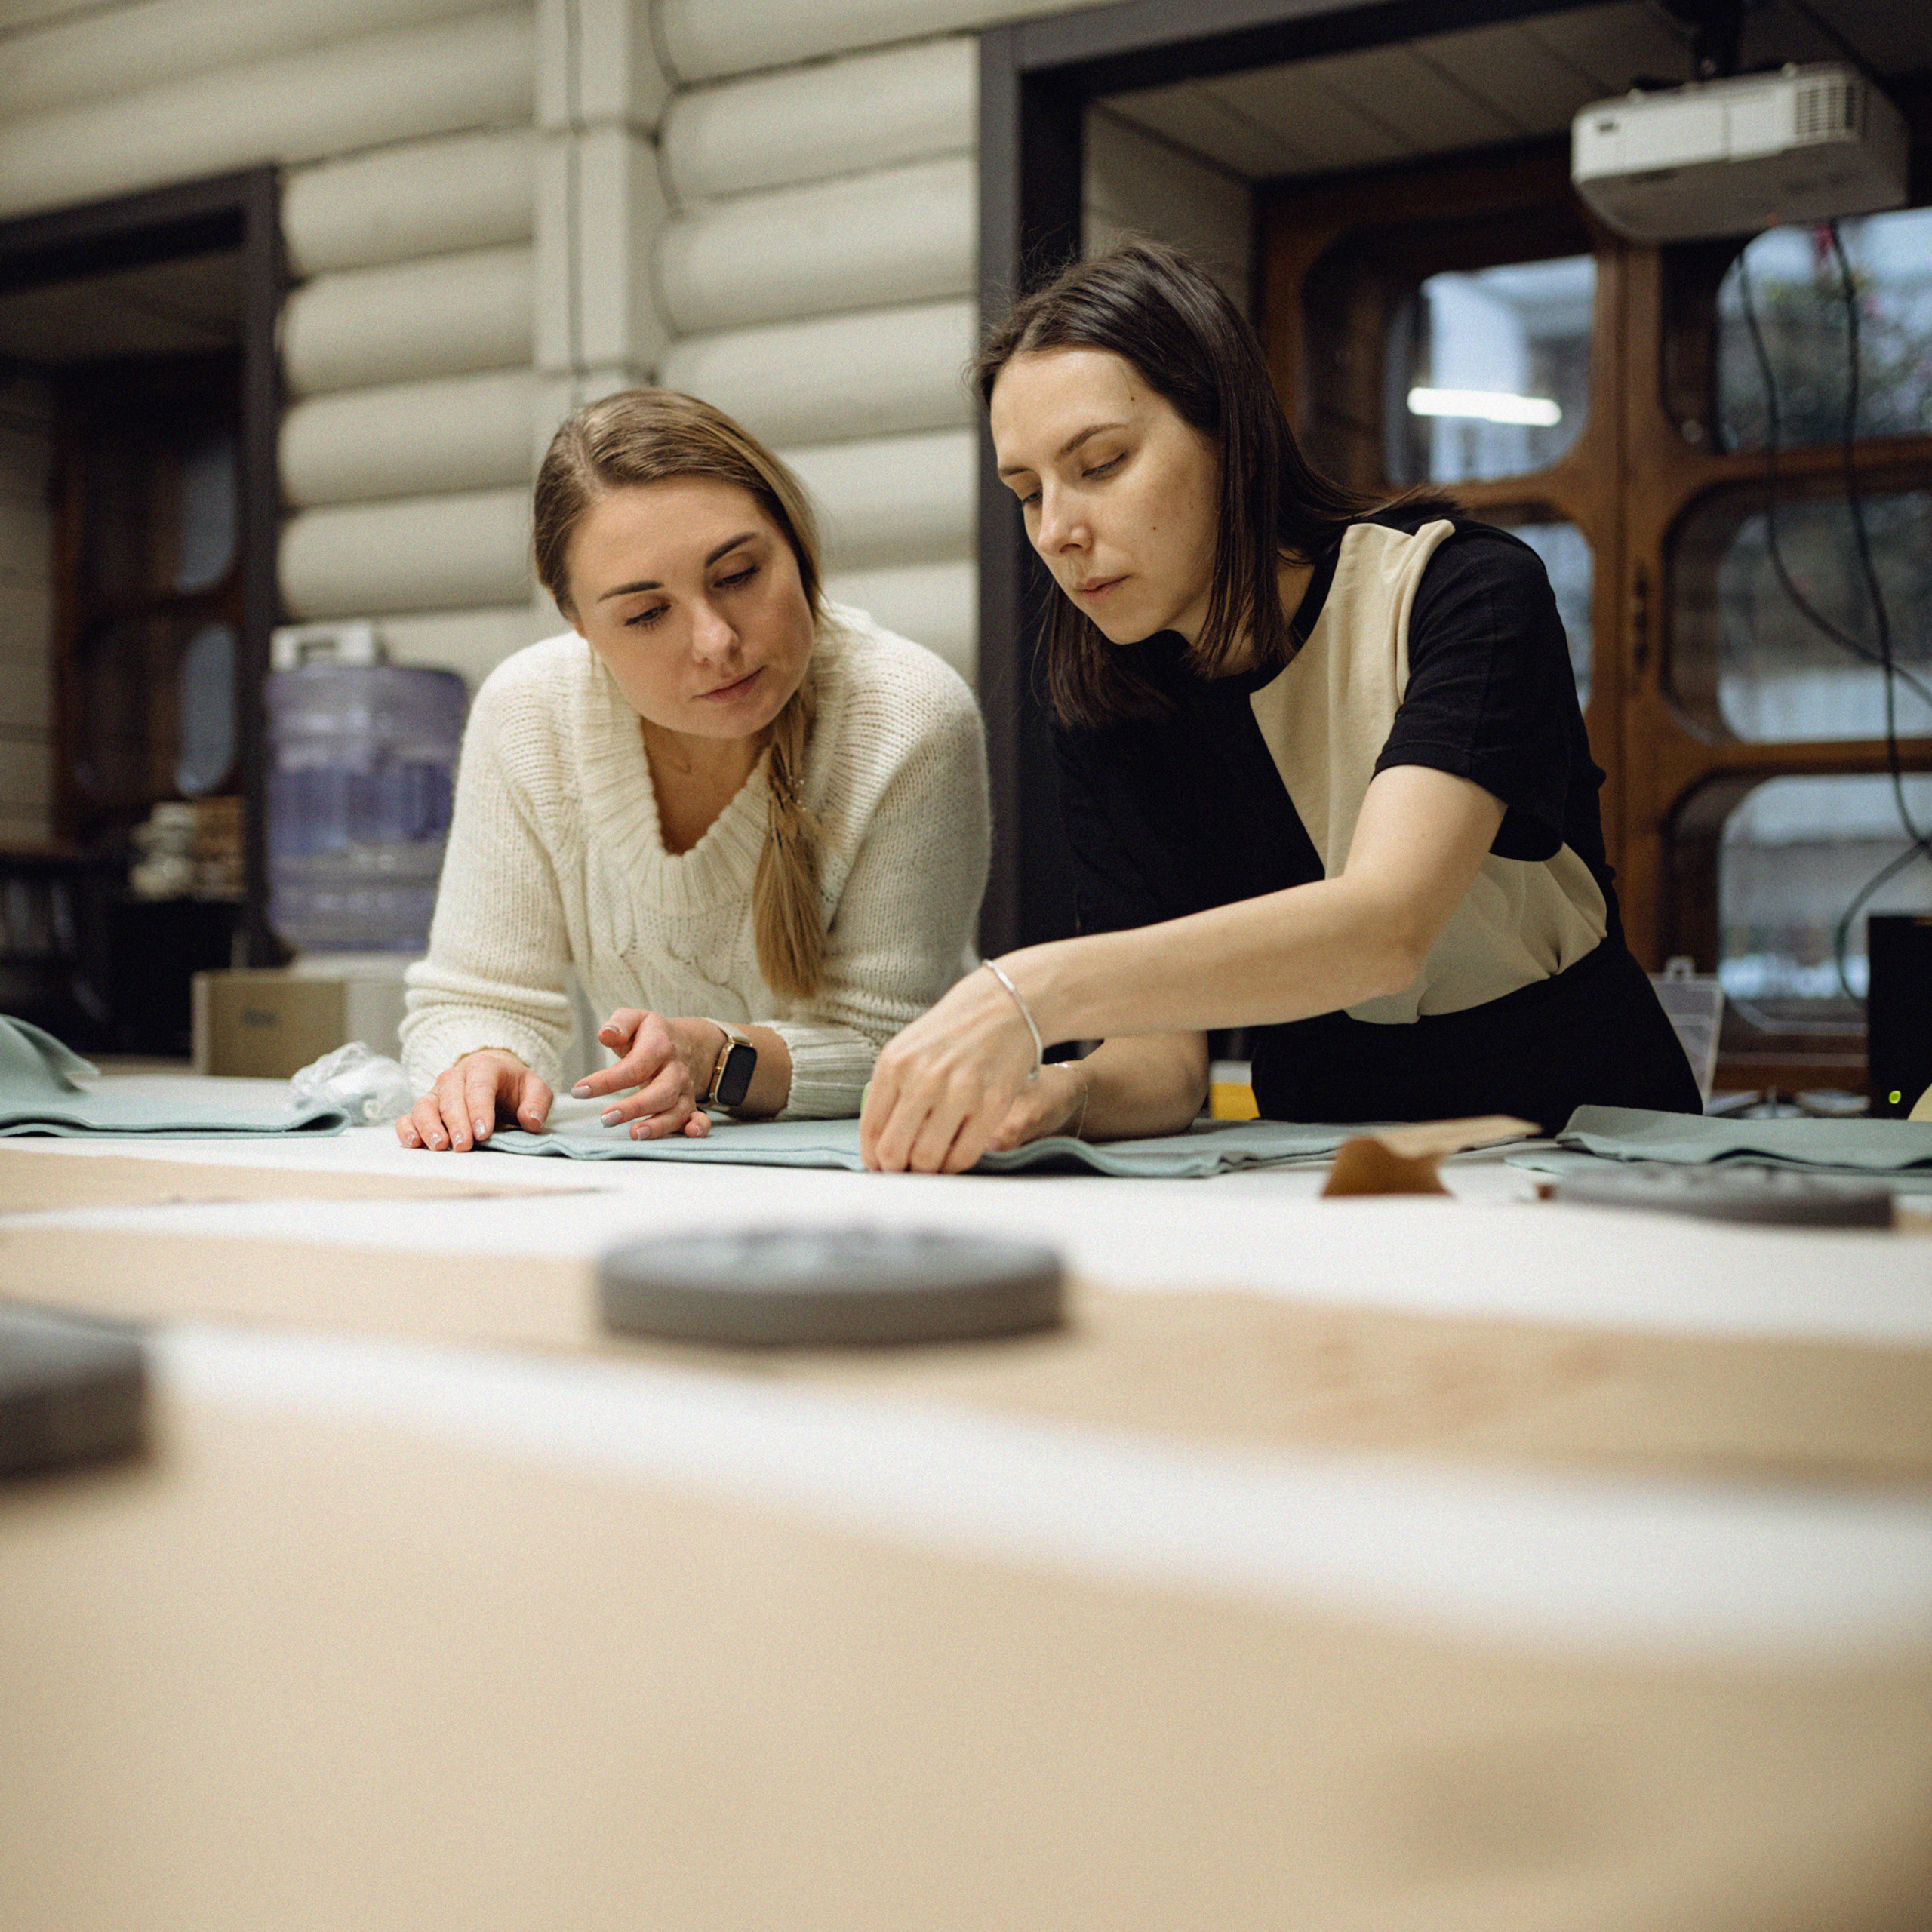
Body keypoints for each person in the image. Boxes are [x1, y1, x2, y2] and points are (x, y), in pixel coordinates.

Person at [859, 240, 1699, 1174]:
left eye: (1099, 464)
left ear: (1232, 432)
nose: (1057, 529)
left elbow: (1384, 928)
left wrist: (1023, 991)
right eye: (1028, 493)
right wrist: (1068, 1095)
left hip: (1586, 1137)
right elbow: (1164, 1059)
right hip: (1313, 1156)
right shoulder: (1107, 698)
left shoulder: (1460, 592)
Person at [398, 388, 989, 1150]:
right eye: (646, 615)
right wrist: (481, 1065)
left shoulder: (908, 715)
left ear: (796, 540)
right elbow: (476, 996)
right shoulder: (528, 714)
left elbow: (892, 1042)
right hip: (657, 1179)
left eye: (738, 574)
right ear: (578, 622)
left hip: (908, 1174)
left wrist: (716, 1058)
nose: (715, 640)